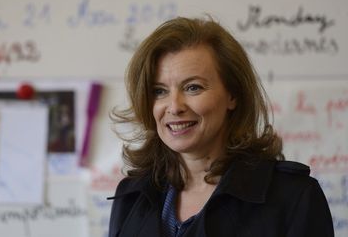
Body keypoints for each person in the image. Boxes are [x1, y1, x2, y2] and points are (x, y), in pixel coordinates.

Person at [108, 16, 334, 237]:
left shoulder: (294, 197)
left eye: (193, 87)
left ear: (233, 95)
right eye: (159, 91)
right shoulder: (131, 195)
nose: (174, 107)